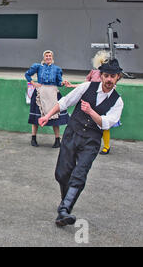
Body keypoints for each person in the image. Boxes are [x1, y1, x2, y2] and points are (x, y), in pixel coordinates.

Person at [38, 58, 124, 226]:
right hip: (72, 134)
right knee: (62, 173)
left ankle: (64, 210)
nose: (108, 79)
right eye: (106, 75)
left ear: (117, 78)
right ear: (100, 75)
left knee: (79, 174)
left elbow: (106, 123)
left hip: (91, 141)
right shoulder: (86, 87)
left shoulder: (117, 101)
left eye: (112, 76)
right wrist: (47, 116)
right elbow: (65, 102)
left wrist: (91, 112)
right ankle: (65, 203)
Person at [65, 50, 121, 155]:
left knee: (104, 124)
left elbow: (111, 87)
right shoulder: (93, 73)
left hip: (104, 102)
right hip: (92, 100)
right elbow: (86, 84)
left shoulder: (110, 78)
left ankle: (106, 146)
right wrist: (73, 86)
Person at [25, 50, 69, 148]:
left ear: (52, 57)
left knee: (55, 117)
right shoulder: (38, 67)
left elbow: (58, 82)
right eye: (46, 56)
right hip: (40, 92)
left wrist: (62, 83)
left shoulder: (57, 69)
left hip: (52, 93)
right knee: (36, 117)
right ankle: (33, 138)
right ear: (44, 57)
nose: (48, 57)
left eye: (50, 56)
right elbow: (27, 74)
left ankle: (57, 140)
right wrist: (33, 83)